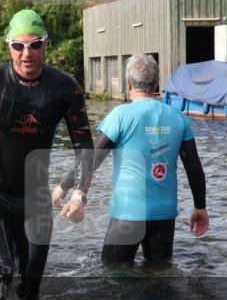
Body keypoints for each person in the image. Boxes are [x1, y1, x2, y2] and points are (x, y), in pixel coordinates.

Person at [0, 9, 93, 300]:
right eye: (18, 46)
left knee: (31, 291)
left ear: (46, 45)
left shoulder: (65, 88)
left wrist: (79, 195)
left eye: (35, 44)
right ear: (9, 46)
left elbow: (84, 147)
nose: (27, 54)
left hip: (37, 198)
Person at [54, 54, 209, 265]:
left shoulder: (121, 115)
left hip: (127, 214)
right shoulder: (178, 118)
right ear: (156, 84)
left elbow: (91, 158)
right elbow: (194, 168)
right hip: (164, 215)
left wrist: (64, 186)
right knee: (159, 278)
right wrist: (200, 207)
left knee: (114, 275)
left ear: (128, 83)